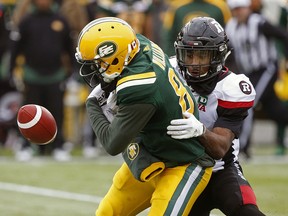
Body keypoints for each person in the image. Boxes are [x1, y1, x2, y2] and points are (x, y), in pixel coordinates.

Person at [75, 17, 215, 215]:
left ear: (115, 58)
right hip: (150, 153)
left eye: (97, 63)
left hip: (182, 163)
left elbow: (112, 143)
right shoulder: (137, 43)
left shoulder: (140, 85)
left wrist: (92, 104)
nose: (93, 69)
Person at [166, 17, 266, 215]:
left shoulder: (232, 87)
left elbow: (219, 148)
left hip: (221, 170)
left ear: (218, 56)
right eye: (189, 55)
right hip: (182, 170)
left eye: (202, 56)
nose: (193, 63)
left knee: (248, 212)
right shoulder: (168, 71)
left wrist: (200, 131)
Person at [9, 0, 75, 161]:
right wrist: (11, 71)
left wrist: (73, 72)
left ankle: (58, 146)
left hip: (55, 75)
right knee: (27, 112)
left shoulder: (61, 20)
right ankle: (25, 145)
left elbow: (70, 48)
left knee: (57, 111)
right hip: (31, 75)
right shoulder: (26, 21)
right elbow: (15, 49)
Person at [225, 0, 288, 157]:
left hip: (266, 69)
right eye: (235, 9)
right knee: (275, 111)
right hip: (247, 72)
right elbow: (228, 52)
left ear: (248, 8)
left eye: (240, 8)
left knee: (247, 103)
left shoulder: (259, 22)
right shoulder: (230, 26)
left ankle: (243, 147)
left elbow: (283, 35)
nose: (238, 12)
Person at [161, 0, 232, 56]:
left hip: (211, 56)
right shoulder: (176, 7)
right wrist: (173, 56)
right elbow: (168, 37)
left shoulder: (220, 7)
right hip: (184, 55)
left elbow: (229, 35)